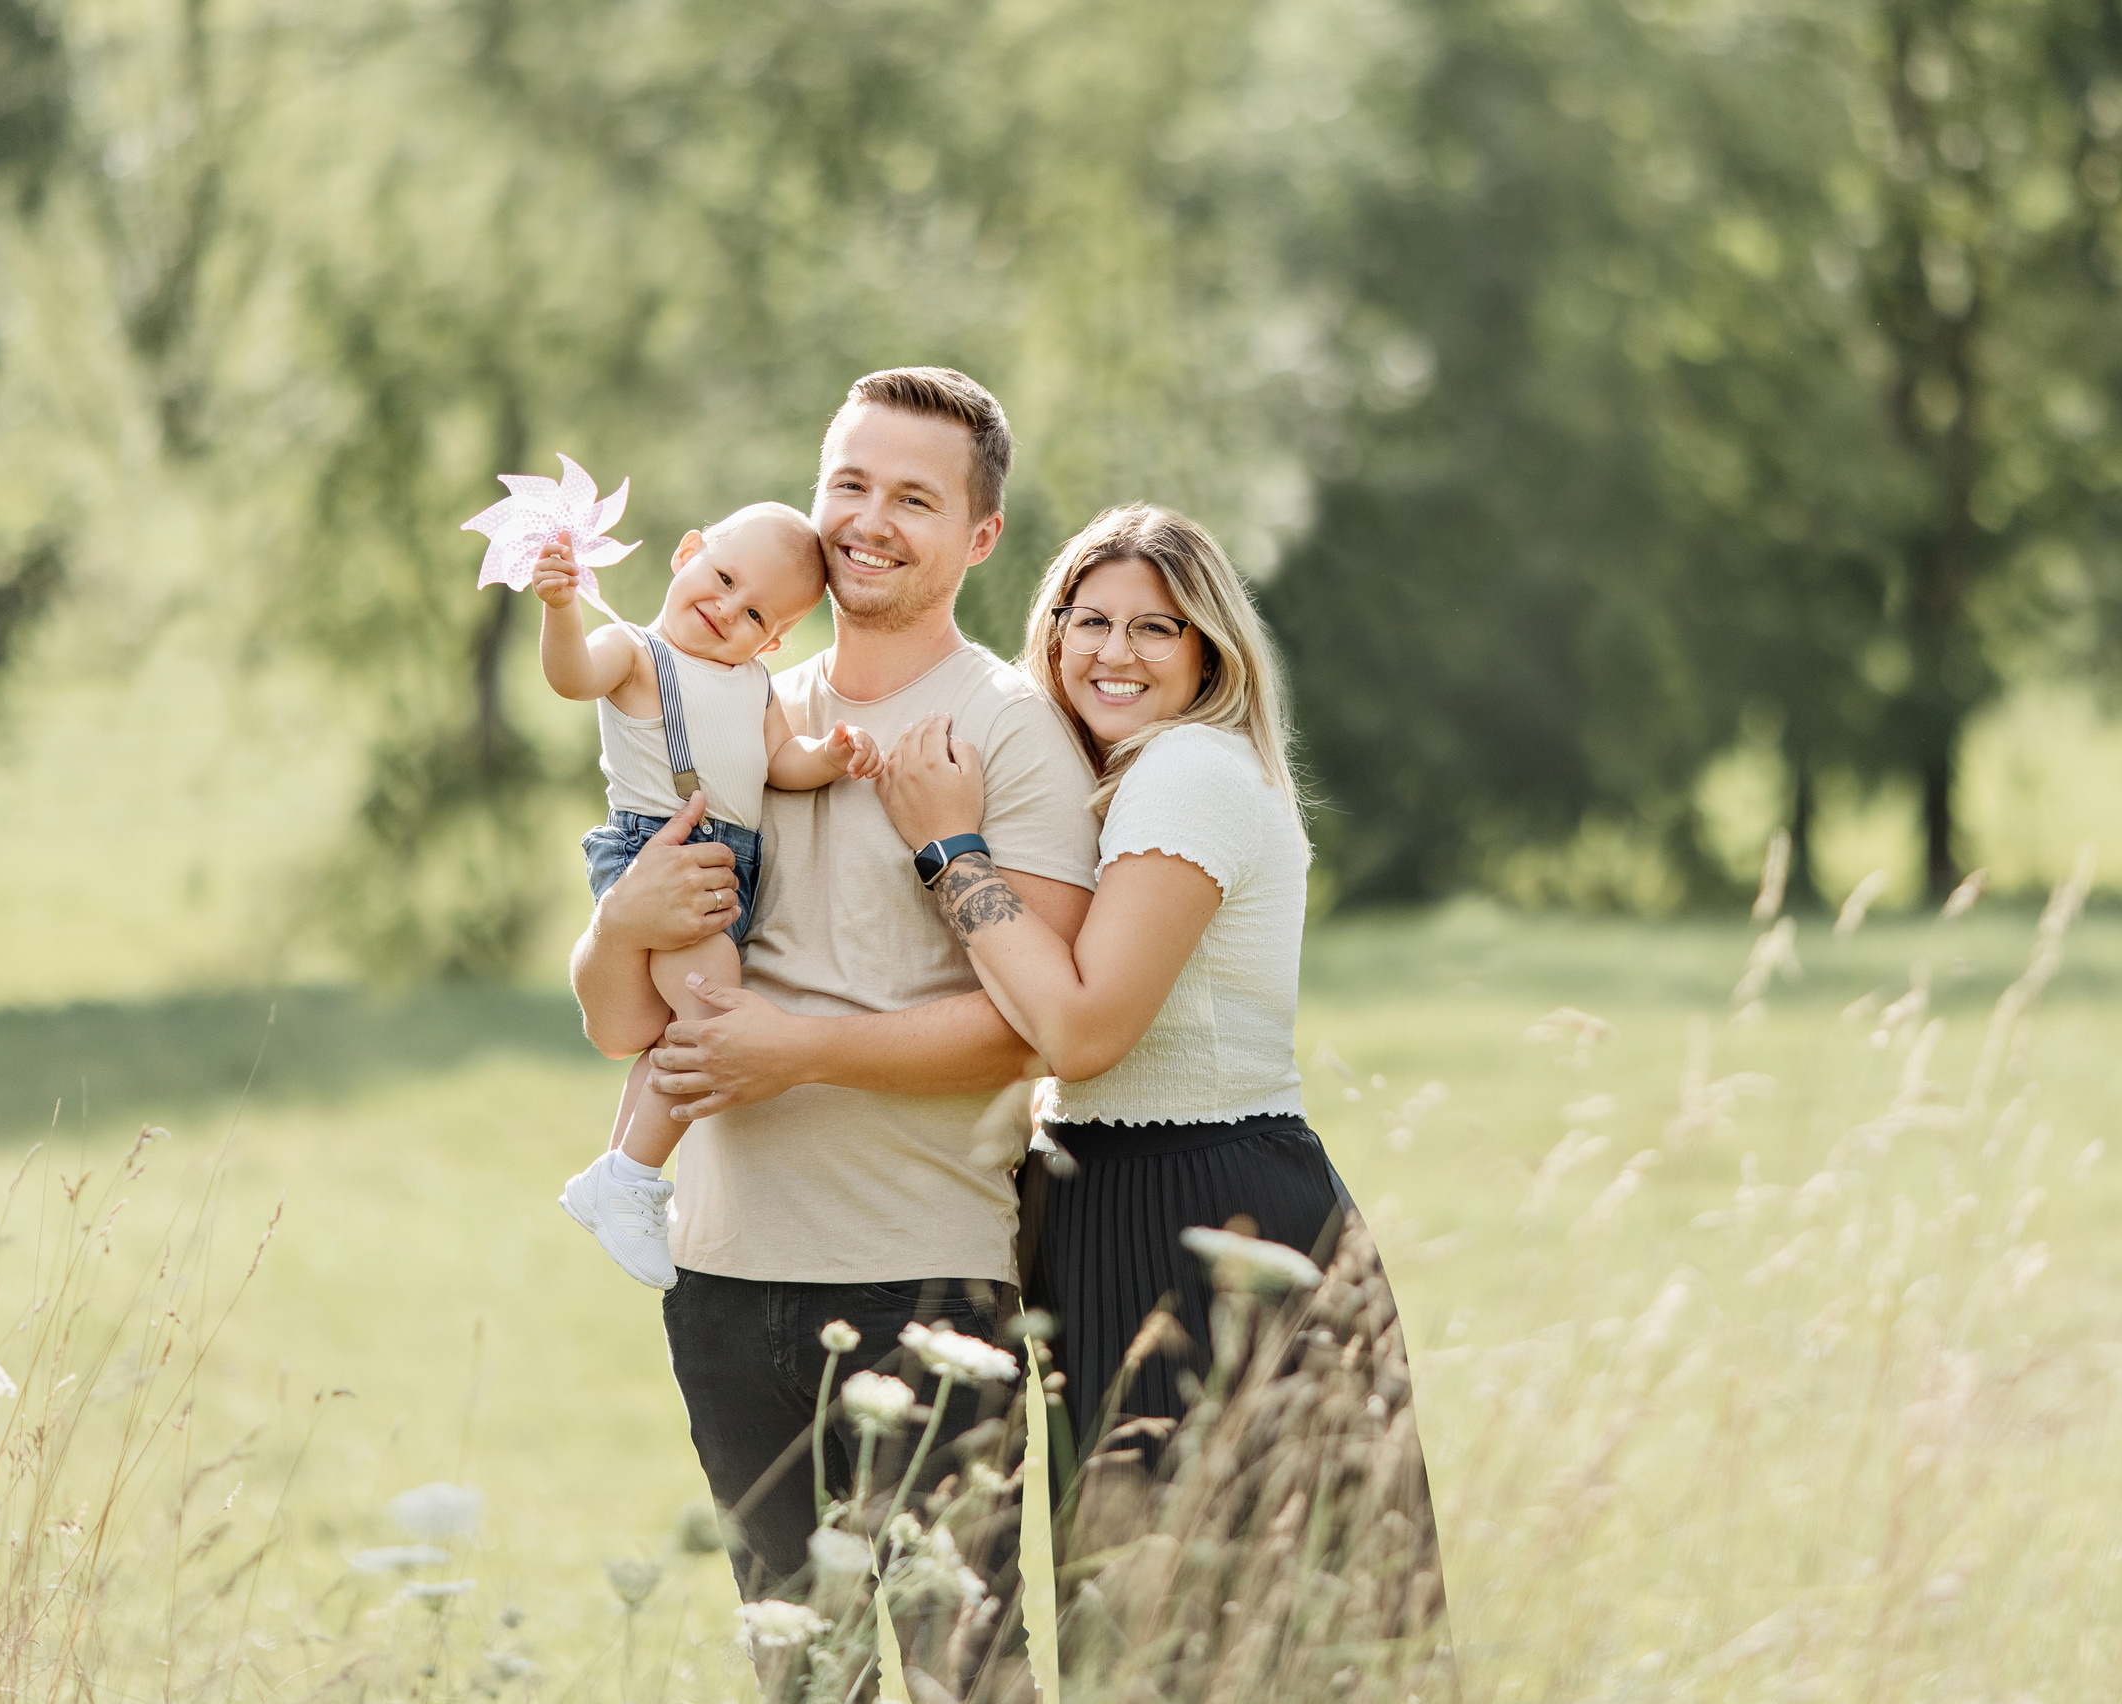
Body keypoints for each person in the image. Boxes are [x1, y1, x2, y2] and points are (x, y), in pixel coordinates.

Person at [566, 369, 1100, 1621]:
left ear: (979, 538)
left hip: (919, 1283)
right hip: (719, 1274)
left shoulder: (1010, 730)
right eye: (849, 483)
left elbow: (1029, 1033)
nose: (868, 518)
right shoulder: (733, 694)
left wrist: (793, 1051)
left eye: (913, 496)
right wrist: (615, 925)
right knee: (802, 1673)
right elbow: (620, 1024)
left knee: (967, 1666)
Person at [870, 503, 1446, 1545]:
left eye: (1155, 627)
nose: (1114, 653)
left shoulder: (1186, 775)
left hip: (1199, 1207)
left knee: (1196, 1612)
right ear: (1052, 634)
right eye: (1089, 621)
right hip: (1110, 1197)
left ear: (1208, 650)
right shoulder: (1122, 783)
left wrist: (948, 849)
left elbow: (1084, 1035)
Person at [532, 502, 882, 1289]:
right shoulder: (634, 651)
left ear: (774, 640)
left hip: (729, 867)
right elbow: (570, 676)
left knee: (678, 1029)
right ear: (686, 551)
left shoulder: (753, 683)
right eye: (721, 577)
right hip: (660, 856)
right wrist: (560, 609)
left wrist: (830, 754)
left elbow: (779, 763)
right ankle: (632, 1178)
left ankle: (615, 1173)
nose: (726, 608)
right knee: (716, 1017)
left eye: (753, 610)